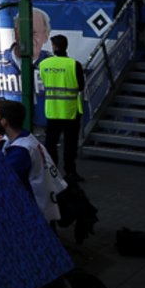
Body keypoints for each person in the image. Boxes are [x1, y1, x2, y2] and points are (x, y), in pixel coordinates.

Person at [0, 99, 65, 221]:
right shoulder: (26, 137)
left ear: (4, 121)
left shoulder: (21, 150)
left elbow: (4, 178)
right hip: (42, 202)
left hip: (33, 208)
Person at [38, 33, 85, 181]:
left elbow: (44, 83)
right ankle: (70, 172)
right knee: (70, 143)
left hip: (52, 110)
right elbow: (81, 87)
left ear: (54, 47)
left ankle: (52, 172)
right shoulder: (74, 64)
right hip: (71, 111)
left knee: (51, 143)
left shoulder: (44, 64)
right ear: (66, 46)